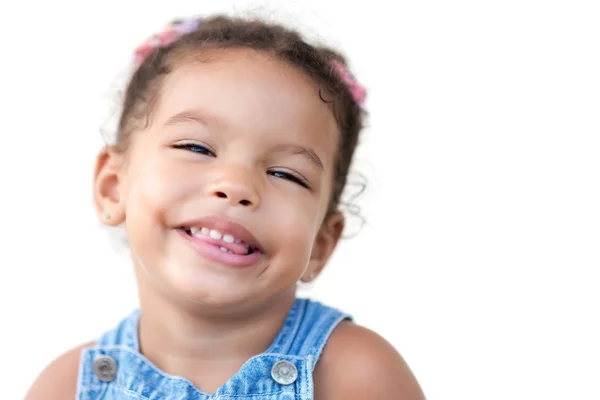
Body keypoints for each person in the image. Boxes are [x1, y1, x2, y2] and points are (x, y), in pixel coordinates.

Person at [25, 14, 425, 400]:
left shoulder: (358, 376)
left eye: (287, 174)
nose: (236, 187)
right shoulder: (65, 388)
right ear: (113, 188)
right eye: (196, 147)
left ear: (321, 243)